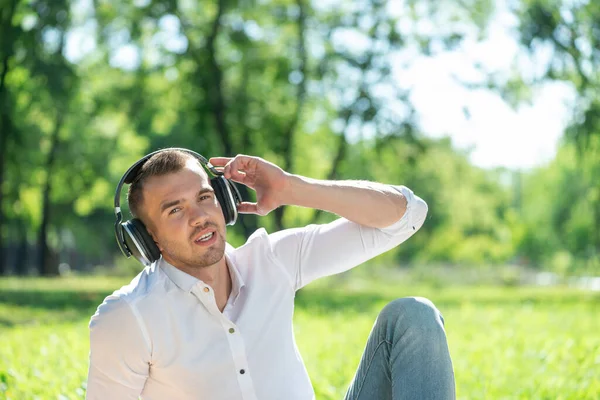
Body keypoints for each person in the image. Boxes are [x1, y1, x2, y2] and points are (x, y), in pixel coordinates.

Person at [86, 148, 455, 400]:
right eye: (174, 210)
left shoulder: (271, 261)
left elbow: (406, 216)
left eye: (203, 197)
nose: (199, 216)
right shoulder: (127, 316)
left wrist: (292, 188)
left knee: (413, 317)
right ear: (146, 238)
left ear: (224, 199)